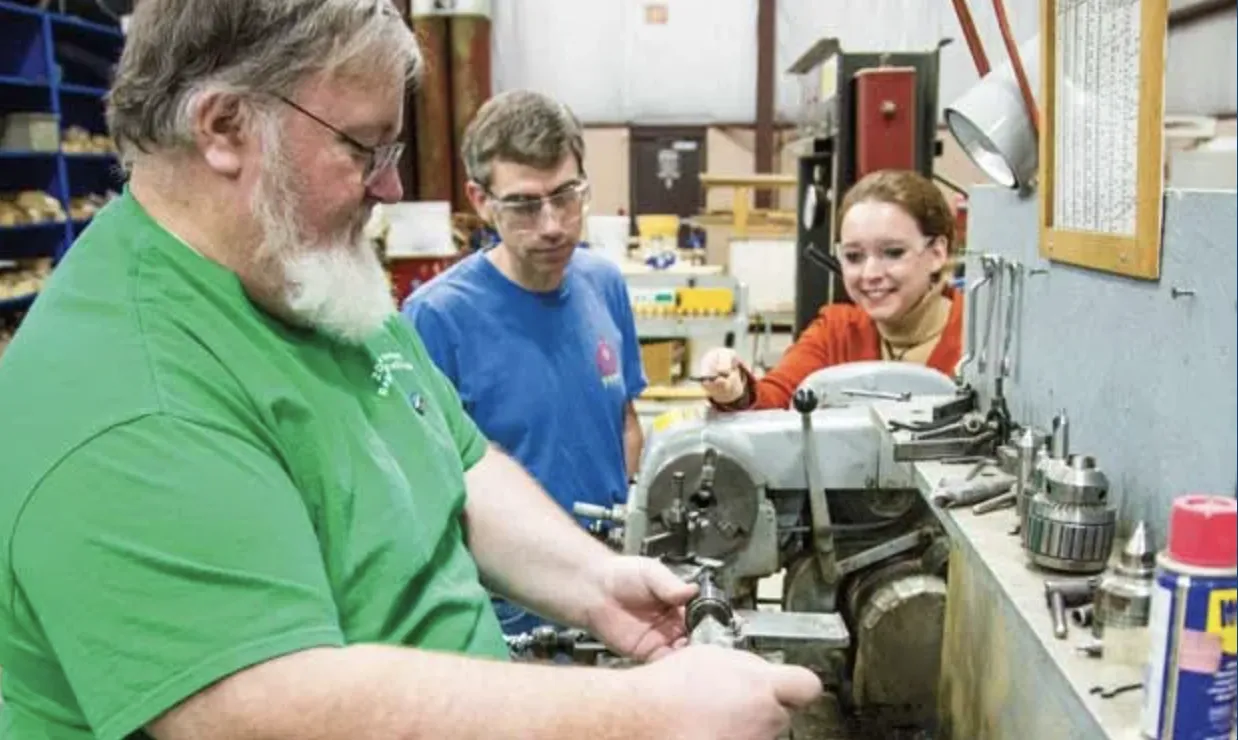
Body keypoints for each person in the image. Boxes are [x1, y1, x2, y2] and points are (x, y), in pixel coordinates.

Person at [0, 2, 821, 739]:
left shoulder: (306, 277)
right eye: (365, 146)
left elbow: (453, 463)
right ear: (223, 128)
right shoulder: (129, 394)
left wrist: (597, 584)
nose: (392, 183)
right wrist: (643, 716)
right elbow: (266, 709)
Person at [402, 91, 646, 635]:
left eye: (567, 195)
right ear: (481, 199)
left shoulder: (603, 284)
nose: (554, 224)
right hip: (505, 610)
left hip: (608, 582)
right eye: (525, 204)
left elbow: (624, 421)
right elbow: (423, 487)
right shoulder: (436, 318)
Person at [699, 169, 964, 410]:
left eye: (893, 253)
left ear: (937, 253)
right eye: (853, 256)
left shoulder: (983, 338)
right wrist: (735, 390)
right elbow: (774, 399)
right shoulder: (836, 332)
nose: (870, 274)